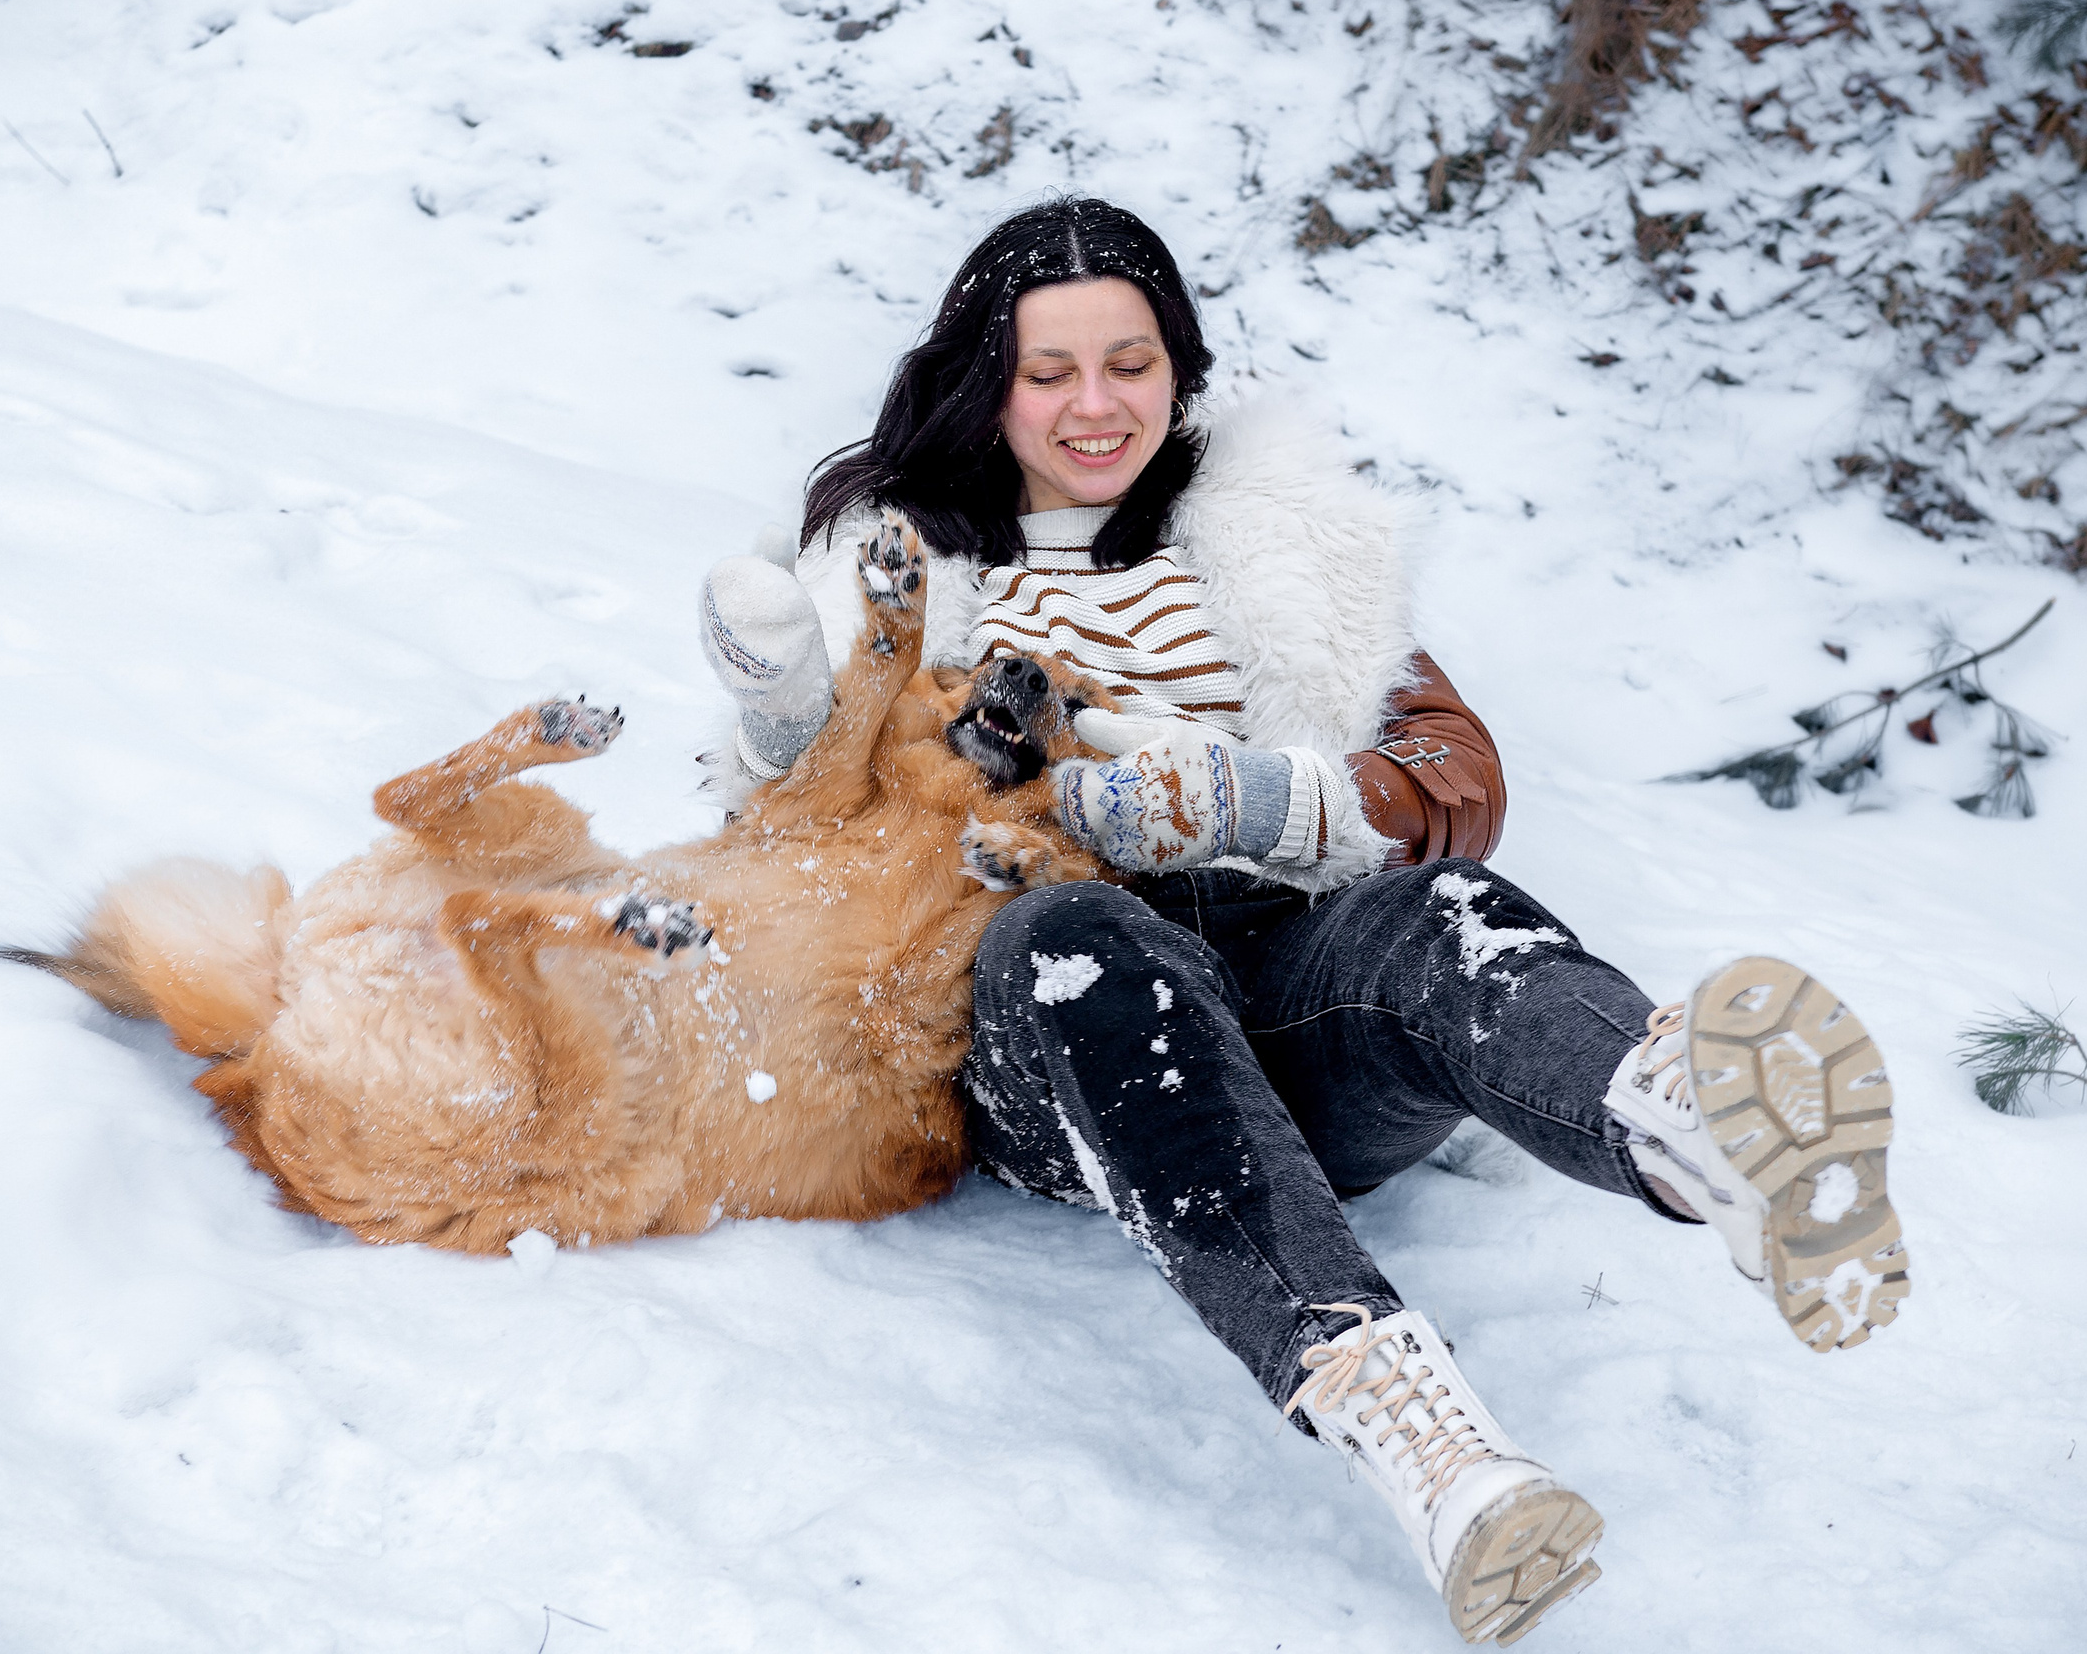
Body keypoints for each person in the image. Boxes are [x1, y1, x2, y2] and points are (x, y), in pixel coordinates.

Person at [694, 197, 1909, 1646]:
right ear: (986, 381)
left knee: (1440, 913)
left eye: (1132, 363)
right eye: (1051, 371)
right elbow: (806, 843)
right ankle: (1427, 1449)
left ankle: (1701, 1131)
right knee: (1080, 938)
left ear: (1181, 370)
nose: (1097, 406)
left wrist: (1266, 803)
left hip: (1291, 973)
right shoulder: (900, 567)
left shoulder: (1281, 544)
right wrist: (788, 717)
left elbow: (1456, 783)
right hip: (1056, 1033)